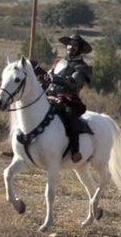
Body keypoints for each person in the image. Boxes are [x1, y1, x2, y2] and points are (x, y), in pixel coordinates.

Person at [38, 33, 94, 163]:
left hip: (67, 98)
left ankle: (75, 150)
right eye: (69, 44)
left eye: (74, 44)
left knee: (70, 114)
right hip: (48, 95)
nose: (71, 46)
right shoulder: (59, 62)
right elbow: (48, 78)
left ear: (79, 48)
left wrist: (53, 78)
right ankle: (23, 146)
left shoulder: (83, 67)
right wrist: (38, 74)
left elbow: (73, 83)